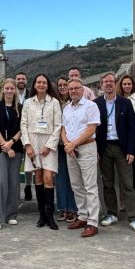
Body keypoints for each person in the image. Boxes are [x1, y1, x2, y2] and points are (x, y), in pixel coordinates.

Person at [95, 73, 135, 233]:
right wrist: (96, 150)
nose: (108, 84)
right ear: (101, 85)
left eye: (111, 81)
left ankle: (133, 217)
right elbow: (93, 129)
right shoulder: (96, 103)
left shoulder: (125, 103)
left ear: (115, 84)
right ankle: (111, 213)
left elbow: (132, 128)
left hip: (122, 148)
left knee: (127, 184)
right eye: (105, 82)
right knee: (108, 183)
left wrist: (131, 150)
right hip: (104, 148)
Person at [20, 74, 63, 230]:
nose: (41, 84)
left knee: (48, 177)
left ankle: (50, 214)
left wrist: (49, 146)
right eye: (39, 82)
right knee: (38, 176)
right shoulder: (28, 103)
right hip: (33, 143)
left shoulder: (54, 102)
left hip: (49, 143)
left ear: (47, 85)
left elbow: (58, 126)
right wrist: (27, 145)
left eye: (44, 82)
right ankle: (42, 214)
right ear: (34, 85)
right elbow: (23, 125)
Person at [61, 77, 101, 238]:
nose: (73, 91)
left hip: (86, 148)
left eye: (76, 88)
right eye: (70, 89)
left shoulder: (91, 106)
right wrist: (67, 144)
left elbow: (91, 129)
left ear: (83, 89)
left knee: (90, 186)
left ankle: (93, 222)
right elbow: (63, 129)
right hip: (71, 151)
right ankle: (83, 216)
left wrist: (73, 144)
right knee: (76, 185)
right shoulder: (66, 108)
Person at [0, 79, 24, 230]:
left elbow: (22, 128)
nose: (9, 91)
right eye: (7, 88)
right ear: (3, 90)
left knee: (13, 182)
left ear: (15, 90)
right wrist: (5, 145)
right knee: (0, 182)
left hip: (16, 148)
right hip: (0, 149)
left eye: (12, 88)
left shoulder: (20, 108)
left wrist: (11, 143)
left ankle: (11, 215)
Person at [54, 77, 77, 222]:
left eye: (64, 85)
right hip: (58, 145)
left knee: (73, 179)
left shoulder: (74, 102)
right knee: (60, 178)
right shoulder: (54, 102)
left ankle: (73, 208)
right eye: (60, 85)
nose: (62, 87)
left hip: (73, 145)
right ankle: (62, 208)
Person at [15, 71, 33, 201]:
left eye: (23, 79)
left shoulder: (31, 94)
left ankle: (28, 186)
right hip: (15, 134)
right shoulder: (11, 93)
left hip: (28, 133)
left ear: (26, 81)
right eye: (18, 79)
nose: (21, 81)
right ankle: (15, 189)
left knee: (29, 162)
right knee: (15, 163)